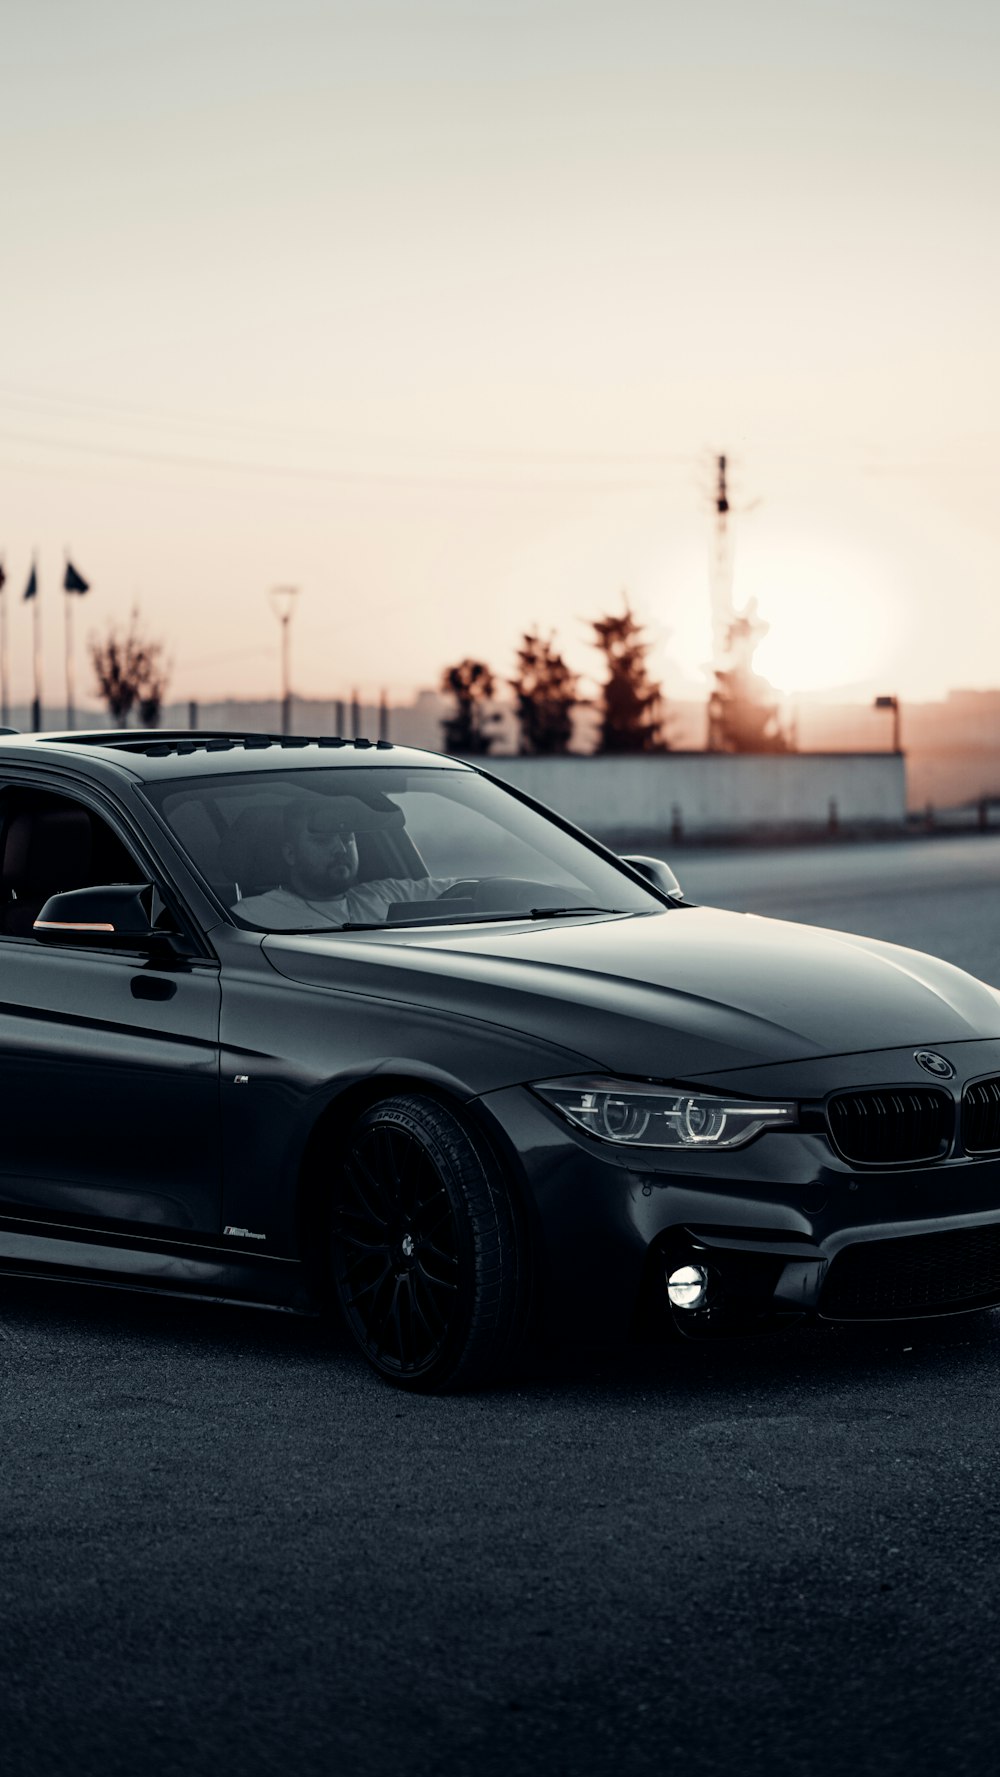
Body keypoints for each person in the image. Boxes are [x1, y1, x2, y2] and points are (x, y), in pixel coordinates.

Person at [233, 794, 458, 930]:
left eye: (347, 838)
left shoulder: (388, 894)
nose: (340, 849)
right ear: (290, 854)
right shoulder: (251, 916)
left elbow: (467, 890)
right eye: (322, 840)